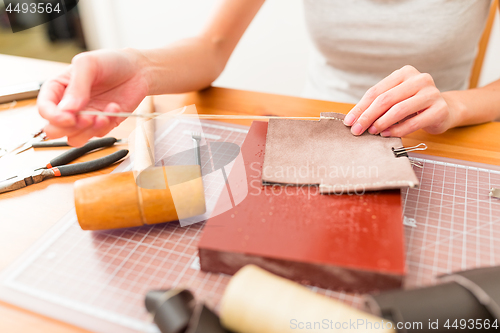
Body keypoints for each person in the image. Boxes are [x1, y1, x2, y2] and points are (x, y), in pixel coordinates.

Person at [38, 0, 500, 146]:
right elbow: (213, 47)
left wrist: (456, 104)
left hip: (440, 136)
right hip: (318, 128)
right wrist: (139, 68)